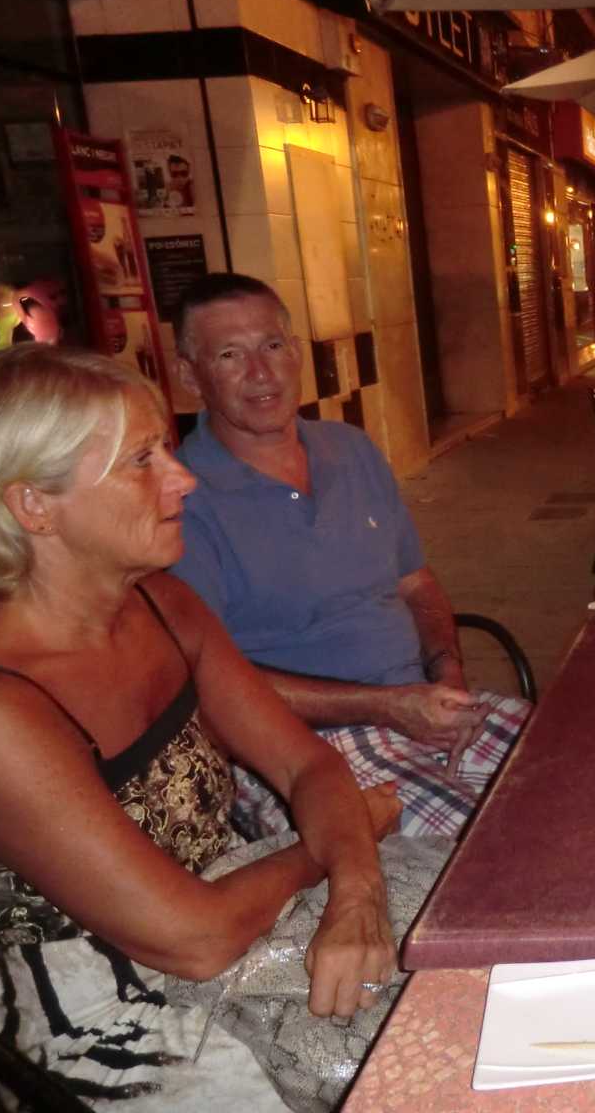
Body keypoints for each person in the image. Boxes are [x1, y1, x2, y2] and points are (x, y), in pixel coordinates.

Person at [0, 345, 396, 1108]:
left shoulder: (163, 605)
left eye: (166, 451)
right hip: (99, 1007)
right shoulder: (1, 711)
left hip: (240, 909)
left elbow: (307, 766)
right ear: (33, 505)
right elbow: (192, 939)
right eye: (142, 460)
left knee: (459, 948)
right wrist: (336, 845)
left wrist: (357, 890)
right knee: (398, 1060)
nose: (183, 479)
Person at [167, 273, 526, 839]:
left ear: (296, 353)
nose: (261, 373)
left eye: (272, 345)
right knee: (500, 843)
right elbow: (209, 683)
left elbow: (415, 582)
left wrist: (447, 674)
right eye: (230, 355)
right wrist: (386, 706)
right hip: (304, 749)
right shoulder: (182, 500)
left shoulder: (351, 449)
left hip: (422, 707)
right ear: (190, 376)